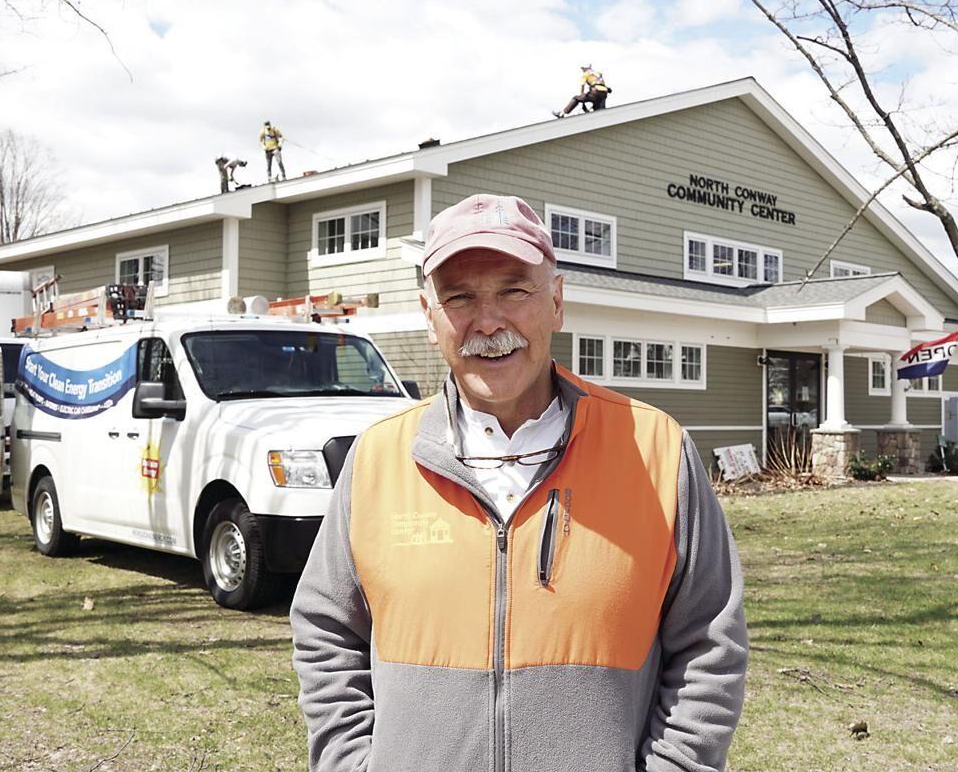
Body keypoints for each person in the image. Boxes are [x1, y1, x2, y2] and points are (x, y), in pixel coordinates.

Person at [291, 192, 748, 771]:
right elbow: (326, 631)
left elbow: (710, 642)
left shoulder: (655, 449)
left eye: (514, 290)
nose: (488, 321)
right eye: (459, 297)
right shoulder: (379, 458)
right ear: (430, 318)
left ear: (556, 301)